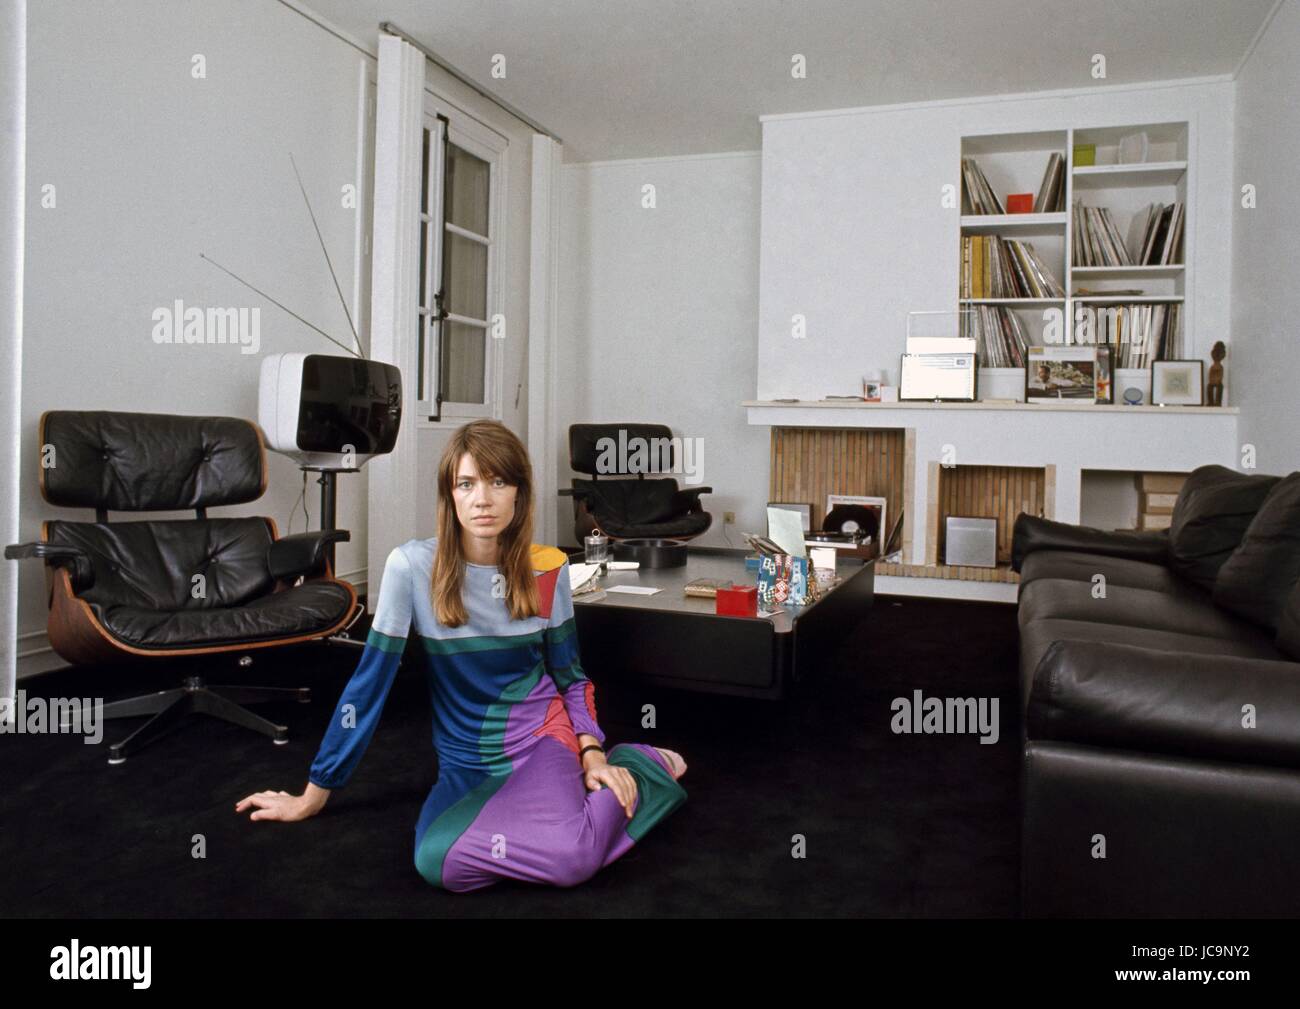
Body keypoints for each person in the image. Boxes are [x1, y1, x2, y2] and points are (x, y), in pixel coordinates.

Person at [235, 419, 688, 891]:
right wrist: (313, 794)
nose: (482, 499)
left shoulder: (548, 567)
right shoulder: (409, 567)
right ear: (450, 495)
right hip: (465, 759)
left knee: (571, 859)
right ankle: (585, 807)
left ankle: (636, 764)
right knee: (439, 863)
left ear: (519, 493)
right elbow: (367, 687)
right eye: (466, 483)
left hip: (541, 741)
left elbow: (571, 678)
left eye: (498, 482)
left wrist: (592, 754)